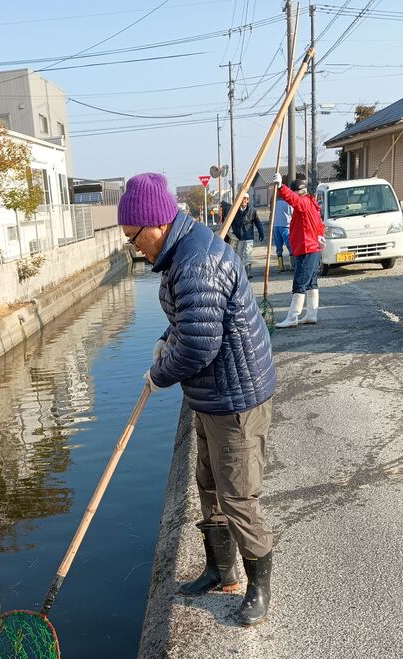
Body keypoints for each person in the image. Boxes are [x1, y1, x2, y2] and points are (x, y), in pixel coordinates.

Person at [119, 173, 276, 627]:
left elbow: (199, 345)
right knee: (207, 483)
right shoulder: (180, 253)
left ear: (155, 224)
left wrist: (159, 374)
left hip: (235, 397)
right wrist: (166, 337)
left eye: (134, 238)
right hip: (212, 393)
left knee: (238, 494)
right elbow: (191, 320)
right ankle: (220, 571)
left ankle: (258, 588)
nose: (135, 248)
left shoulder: (196, 261)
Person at [273, 174, 325, 327]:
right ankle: (311, 315)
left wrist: (281, 187)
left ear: (296, 192)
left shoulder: (303, 202)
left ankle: (292, 317)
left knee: (300, 282)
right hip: (312, 247)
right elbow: (319, 224)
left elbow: (293, 199)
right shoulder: (311, 203)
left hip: (307, 249)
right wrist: (320, 235)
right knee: (311, 283)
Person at [231, 190, 264, 280]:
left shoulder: (252, 210)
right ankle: (239, 273)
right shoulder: (235, 210)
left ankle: (248, 273)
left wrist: (261, 232)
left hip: (248, 236)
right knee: (238, 255)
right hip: (238, 237)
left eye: (246, 199)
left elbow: (257, 222)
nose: (244, 201)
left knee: (247, 254)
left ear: (248, 200)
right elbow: (231, 222)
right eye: (242, 199)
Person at [272, 191, 293, 272]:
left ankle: (281, 266)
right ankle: (292, 265)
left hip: (276, 226)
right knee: (290, 246)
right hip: (285, 226)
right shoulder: (288, 203)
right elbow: (292, 214)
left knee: (278, 247)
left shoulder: (275, 203)